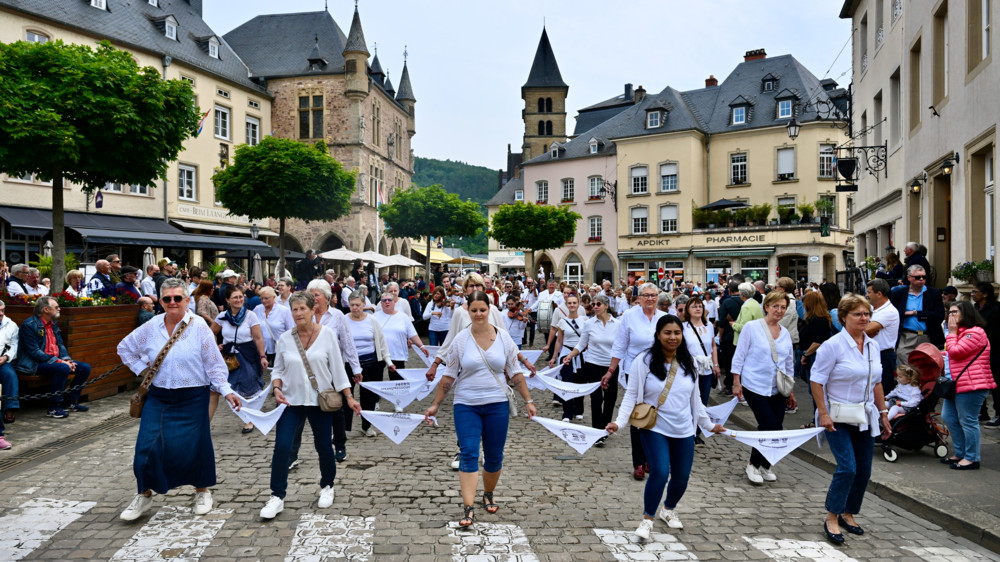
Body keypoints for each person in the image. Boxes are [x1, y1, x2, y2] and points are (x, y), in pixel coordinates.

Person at [117, 278, 242, 521]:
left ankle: (202, 491)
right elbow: (124, 348)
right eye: (167, 298)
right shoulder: (151, 326)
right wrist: (143, 370)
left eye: (177, 298)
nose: (172, 302)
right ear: (160, 301)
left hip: (193, 396)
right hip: (159, 397)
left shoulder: (199, 327)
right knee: (146, 446)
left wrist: (226, 390)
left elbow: (214, 365)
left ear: (187, 300)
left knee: (196, 446)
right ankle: (143, 494)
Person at [423, 291, 537, 528]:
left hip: (497, 404)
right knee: (469, 454)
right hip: (466, 404)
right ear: (468, 311)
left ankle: (488, 493)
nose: (478, 314)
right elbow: (449, 376)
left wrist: (528, 400)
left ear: (489, 310)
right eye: (473, 310)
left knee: (494, 456)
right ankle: (468, 507)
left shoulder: (503, 337)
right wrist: (436, 404)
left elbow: (514, 372)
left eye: (482, 310)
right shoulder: (460, 340)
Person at [606, 315, 726, 539]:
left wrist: (709, 425)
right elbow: (631, 396)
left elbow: (696, 399)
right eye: (667, 333)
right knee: (660, 472)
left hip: (683, 430)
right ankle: (647, 519)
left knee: (681, 477)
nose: (673, 337)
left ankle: (668, 509)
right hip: (654, 427)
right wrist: (619, 422)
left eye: (677, 333)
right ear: (658, 335)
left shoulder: (689, 362)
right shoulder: (643, 361)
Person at [260, 291, 362, 519]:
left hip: (320, 402)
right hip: (291, 401)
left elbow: (338, 370)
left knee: (324, 446)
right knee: (282, 447)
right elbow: (277, 369)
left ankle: (327, 486)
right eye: (294, 309)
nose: (298, 313)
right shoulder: (286, 338)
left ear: (312, 310)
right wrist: (276, 388)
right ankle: (277, 496)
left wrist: (349, 397)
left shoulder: (327, 336)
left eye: (302, 309)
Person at [810, 293, 891, 545]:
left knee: (864, 470)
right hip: (837, 414)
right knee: (847, 467)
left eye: (867, 313)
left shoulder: (873, 345)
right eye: (857, 314)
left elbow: (876, 382)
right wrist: (823, 412)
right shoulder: (832, 345)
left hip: (865, 415)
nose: (864, 318)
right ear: (843, 317)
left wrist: (884, 413)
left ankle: (848, 512)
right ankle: (832, 515)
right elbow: (816, 380)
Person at [732, 291, 797, 484]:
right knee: (767, 424)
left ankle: (765, 464)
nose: (779, 310)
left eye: (783, 307)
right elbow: (740, 355)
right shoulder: (752, 328)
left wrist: (790, 390)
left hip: (777, 387)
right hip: (754, 384)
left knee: (776, 428)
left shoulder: (784, 333)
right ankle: (753, 464)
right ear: (766, 306)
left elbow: (788, 364)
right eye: (775, 306)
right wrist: (737, 381)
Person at [604, 282, 666, 480]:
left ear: (658, 297)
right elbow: (620, 345)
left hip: (658, 370)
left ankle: (651, 458)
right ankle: (638, 462)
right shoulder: (629, 316)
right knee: (638, 414)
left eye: (653, 295)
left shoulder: (665, 318)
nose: (649, 299)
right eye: (646, 295)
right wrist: (611, 370)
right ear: (638, 298)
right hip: (635, 371)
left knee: (656, 414)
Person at [940, 300, 995, 470]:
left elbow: (956, 352)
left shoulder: (975, 332)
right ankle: (960, 452)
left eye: (955, 312)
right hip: (956, 384)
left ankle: (972, 458)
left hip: (973, 384)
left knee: (968, 420)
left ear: (967, 314)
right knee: (948, 417)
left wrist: (952, 333)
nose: (951, 315)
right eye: (950, 312)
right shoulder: (959, 333)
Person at [15, 296, 92, 418]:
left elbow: (60, 345)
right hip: (33, 363)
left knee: (84, 368)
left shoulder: (53, 323)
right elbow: (34, 352)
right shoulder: (29, 325)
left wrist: (66, 359)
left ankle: (70, 402)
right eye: (56, 307)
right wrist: (60, 362)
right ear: (46, 309)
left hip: (53, 360)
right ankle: (54, 407)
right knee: (62, 368)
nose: (59, 309)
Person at [561, 294, 619, 444]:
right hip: (593, 364)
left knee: (610, 398)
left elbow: (621, 346)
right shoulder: (590, 324)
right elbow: (581, 344)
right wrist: (570, 355)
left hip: (611, 365)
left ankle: (605, 426)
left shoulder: (617, 324)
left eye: (599, 304)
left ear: (606, 306)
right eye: (594, 304)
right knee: (596, 397)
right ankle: (596, 431)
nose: (595, 307)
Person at [211, 285, 267, 433]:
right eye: (235, 297)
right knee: (222, 389)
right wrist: (216, 346)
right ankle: (206, 424)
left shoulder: (250, 315)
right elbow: (210, 333)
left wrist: (262, 356)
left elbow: (258, 338)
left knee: (249, 390)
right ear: (228, 300)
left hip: (247, 354)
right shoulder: (222, 316)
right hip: (229, 357)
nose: (239, 300)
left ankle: (250, 420)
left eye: (241, 296)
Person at [345, 291, 394, 437]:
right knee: (347, 395)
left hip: (371, 362)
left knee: (369, 397)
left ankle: (366, 426)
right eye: (352, 305)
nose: (355, 308)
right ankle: (345, 428)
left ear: (364, 305)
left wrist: (388, 361)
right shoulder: (343, 320)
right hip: (349, 363)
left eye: (358, 305)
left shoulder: (372, 320)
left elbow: (381, 342)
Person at [681, 296, 719, 443]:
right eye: (694, 306)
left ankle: (697, 433)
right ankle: (687, 431)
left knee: (703, 400)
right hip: (690, 367)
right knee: (689, 400)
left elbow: (713, 346)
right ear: (688, 310)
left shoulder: (708, 326)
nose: (698, 309)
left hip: (707, 368)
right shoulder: (684, 326)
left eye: (700, 306)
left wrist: (716, 365)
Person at [890, 265, 944, 366]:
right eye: (918, 277)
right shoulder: (899, 293)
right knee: (904, 366)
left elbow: (939, 315)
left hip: (927, 336)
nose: (922, 279)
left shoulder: (933, 293)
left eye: (924, 277)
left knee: (925, 368)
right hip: (906, 336)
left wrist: (916, 313)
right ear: (909, 277)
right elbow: (893, 314)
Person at [798, 291, 834, 425]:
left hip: (814, 356)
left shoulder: (818, 320)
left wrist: (806, 354)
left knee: (815, 389)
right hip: (810, 354)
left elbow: (818, 341)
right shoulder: (817, 318)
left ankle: (817, 419)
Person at [550, 293, 585, 422]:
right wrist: (554, 357)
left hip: (581, 355)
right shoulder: (562, 321)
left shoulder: (585, 320)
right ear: (566, 304)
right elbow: (559, 341)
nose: (572, 305)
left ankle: (579, 409)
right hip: (566, 354)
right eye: (569, 303)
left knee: (580, 382)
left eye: (574, 303)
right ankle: (567, 412)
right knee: (567, 383)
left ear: (578, 304)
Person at [374, 292, 428, 374]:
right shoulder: (374, 317)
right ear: (381, 303)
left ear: (394, 302)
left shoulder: (403, 317)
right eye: (384, 300)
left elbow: (412, 334)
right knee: (376, 379)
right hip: (379, 354)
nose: (387, 302)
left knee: (397, 381)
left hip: (398, 353)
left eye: (389, 300)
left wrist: (422, 346)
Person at [971, 281, 1000, 427]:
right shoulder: (976, 307)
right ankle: (982, 411)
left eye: (975, 292)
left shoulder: (995, 309)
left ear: (985, 294)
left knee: (995, 384)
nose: (973, 294)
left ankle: (999, 413)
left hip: (994, 351)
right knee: (980, 381)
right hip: (978, 351)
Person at [866, 279, 901, 393]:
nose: (867, 295)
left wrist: (866, 329)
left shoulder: (889, 311)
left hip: (883, 356)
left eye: (869, 292)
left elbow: (865, 329)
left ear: (879, 294)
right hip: (869, 353)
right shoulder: (870, 308)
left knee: (882, 391)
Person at [254, 287, 294, 365]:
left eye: (266, 298)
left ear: (274, 297)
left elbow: (290, 330)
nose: (263, 301)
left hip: (279, 349)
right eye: (261, 299)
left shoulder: (284, 311)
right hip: (261, 350)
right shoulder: (257, 309)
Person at [0, 300, 19, 445]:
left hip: (3, 360)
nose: (1, 314)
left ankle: (9, 408)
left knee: (10, 375)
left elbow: (14, 346)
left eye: (3, 310)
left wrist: (6, 357)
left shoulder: (11, 325)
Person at [731, 282, 763, 346]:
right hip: (755, 338)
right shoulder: (755, 303)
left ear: (742, 294)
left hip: (746, 342)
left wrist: (733, 324)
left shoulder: (746, 306)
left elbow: (744, 328)